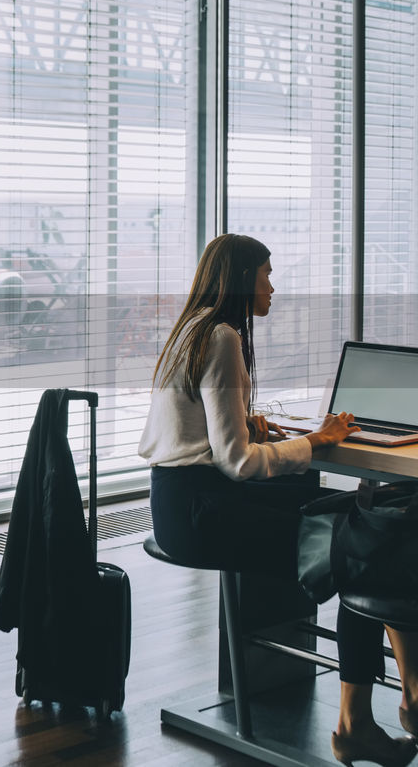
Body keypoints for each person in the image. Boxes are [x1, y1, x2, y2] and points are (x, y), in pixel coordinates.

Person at [139, 233, 417, 767]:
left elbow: (207, 439)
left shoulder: (192, 331)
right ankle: (362, 720)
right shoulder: (221, 338)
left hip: (180, 503)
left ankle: (395, 698)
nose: (274, 287)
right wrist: (316, 440)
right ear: (243, 281)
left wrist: (249, 428)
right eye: (267, 275)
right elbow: (237, 464)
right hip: (203, 514)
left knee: (336, 506)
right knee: (361, 548)